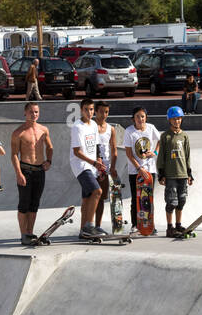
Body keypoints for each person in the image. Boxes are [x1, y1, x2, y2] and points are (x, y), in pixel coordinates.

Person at [11, 103, 53, 244]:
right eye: (31, 112)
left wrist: (49, 161)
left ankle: (30, 233)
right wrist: (18, 173)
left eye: (36, 112)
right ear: (25, 113)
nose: (33, 114)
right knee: (24, 204)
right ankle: (24, 235)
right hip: (25, 170)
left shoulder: (43, 130)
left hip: (39, 171)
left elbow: (50, 147)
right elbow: (14, 155)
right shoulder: (19, 132)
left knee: (34, 204)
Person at [69, 97, 104, 240]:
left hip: (92, 165)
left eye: (91, 110)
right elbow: (77, 152)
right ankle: (89, 226)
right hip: (80, 165)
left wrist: (99, 162)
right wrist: (94, 163)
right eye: (86, 110)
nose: (89, 112)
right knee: (97, 191)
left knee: (87, 198)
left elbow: (96, 146)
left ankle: (83, 231)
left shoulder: (94, 125)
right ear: (81, 111)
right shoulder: (77, 127)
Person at [157, 106, 194, 237]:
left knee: (182, 200)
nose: (177, 121)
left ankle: (178, 225)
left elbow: (188, 155)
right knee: (171, 202)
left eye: (179, 118)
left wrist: (189, 173)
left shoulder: (184, 136)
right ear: (169, 120)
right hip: (170, 174)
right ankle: (169, 227)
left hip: (183, 173)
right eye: (174, 119)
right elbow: (161, 156)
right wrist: (161, 173)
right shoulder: (165, 136)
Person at [123, 106, 161, 231]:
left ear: (146, 117)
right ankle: (135, 224)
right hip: (135, 170)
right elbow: (128, 153)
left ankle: (150, 224)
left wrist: (155, 153)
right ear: (133, 119)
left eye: (143, 116)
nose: (141, 119)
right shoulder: (129, 131)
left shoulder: (151, 128)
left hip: (150, 169)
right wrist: (139, 168)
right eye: (138, 117)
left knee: (148, 198)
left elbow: (161, 140)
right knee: (136, 197)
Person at [93, 99, 119, 234]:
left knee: (102, 197)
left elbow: (114, 149)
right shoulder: (91, 126)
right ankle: (88, 224)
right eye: (101, 112)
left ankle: (97, 225)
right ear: (96, 111)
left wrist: (113, 167)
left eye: (106, 112)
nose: (104, 115)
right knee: (91, 196)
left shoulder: (111, 129)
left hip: (105, 167)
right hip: (92, 166)